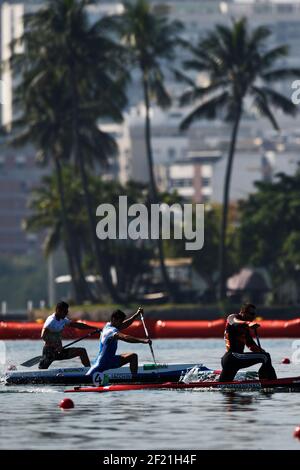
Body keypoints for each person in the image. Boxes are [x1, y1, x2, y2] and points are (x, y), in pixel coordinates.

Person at [219, 303, 277, 382]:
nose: (253, 317)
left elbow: (251, 345)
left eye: (254, 314)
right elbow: (235, 322)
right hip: (233, 357)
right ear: (243, 313)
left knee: (222, 386)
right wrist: (248, 323)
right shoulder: (232, 317)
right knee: (265, 357)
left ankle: (266, 380)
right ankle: (269, 382)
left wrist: (261, 351)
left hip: (232, 361)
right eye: (251, 314)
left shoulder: (245, 329)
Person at [87, 307, 151, 378]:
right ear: (113, 319)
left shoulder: (109, 325)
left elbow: (125, 324)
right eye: (120, 322)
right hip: (102, 363)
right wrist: (143, 341)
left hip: (111, 360)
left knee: (133, 356)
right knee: (88, 377)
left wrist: (136, 315)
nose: (121, 324)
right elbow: (125, 337)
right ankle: (87, 376)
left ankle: (135, 379)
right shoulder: (110, 331)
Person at [39, 301, 98, 369]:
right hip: (49, 351)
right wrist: (55, 345)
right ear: (58, 310)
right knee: (42, 370)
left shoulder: (63, 319)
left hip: (59, 351)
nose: (66, 314)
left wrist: (93, 328)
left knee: (82, 351)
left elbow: (77, 325)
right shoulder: (51, 321)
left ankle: (89, 372)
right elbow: (43, 336)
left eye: (67, 312)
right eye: (65, 312)